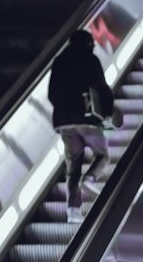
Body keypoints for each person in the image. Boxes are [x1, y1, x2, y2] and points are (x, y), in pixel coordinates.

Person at [47, 29, 115, 216]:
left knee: (73, 167)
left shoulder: (59, 61)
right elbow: (101, 87)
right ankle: (91, 178)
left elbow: (52, 93)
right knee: (103, 155)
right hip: (88, 120)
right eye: (92, 43)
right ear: (87, 44)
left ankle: (73, 211)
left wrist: (64, 111)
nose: (94, 46)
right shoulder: (90, 60)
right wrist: (108, 111)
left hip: (65, 124)